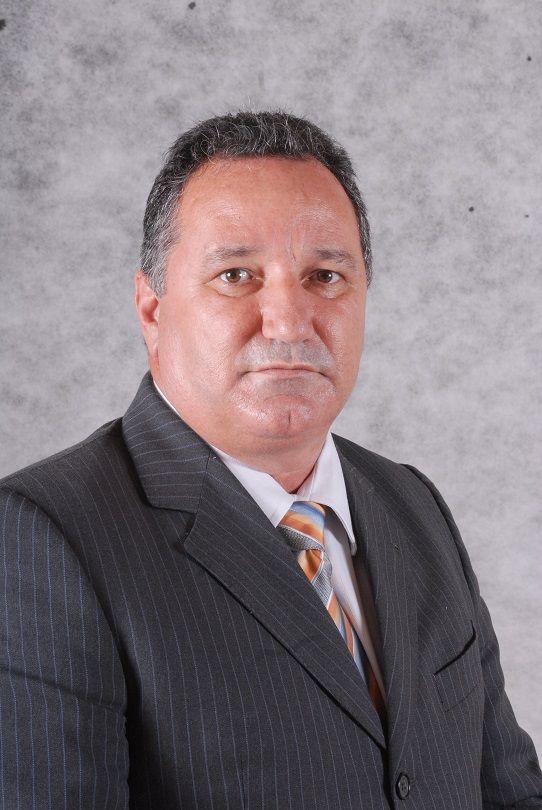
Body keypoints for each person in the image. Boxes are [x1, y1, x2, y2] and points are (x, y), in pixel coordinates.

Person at [1, 110, 540, 810]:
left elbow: (508, 793)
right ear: (152, 310)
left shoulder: (412, 503)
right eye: (236, 275)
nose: (289, 320)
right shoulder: (42, 536)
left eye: (325, 275)